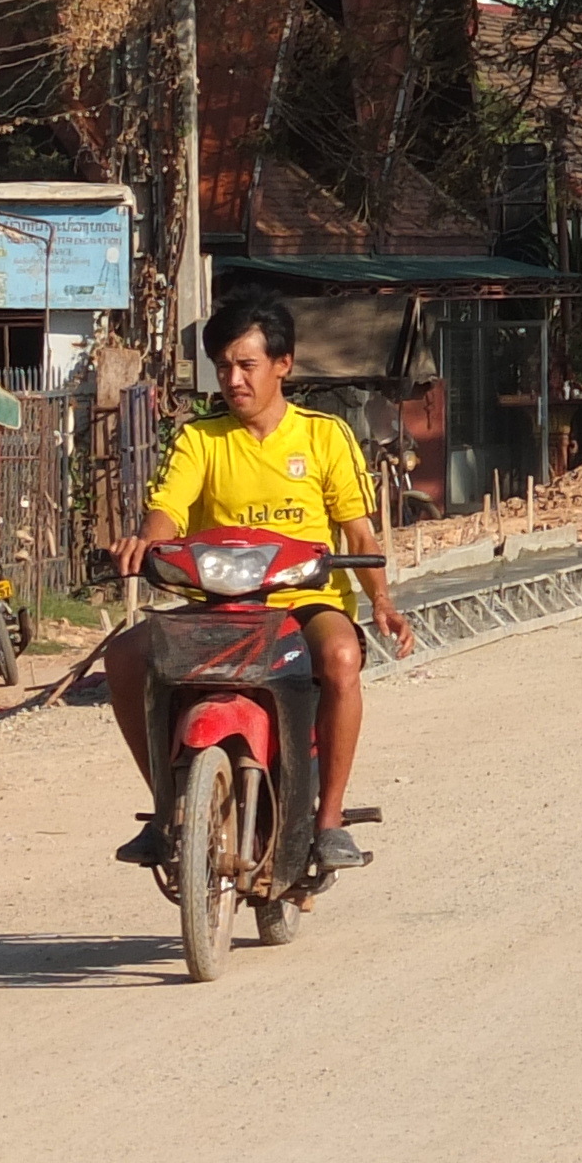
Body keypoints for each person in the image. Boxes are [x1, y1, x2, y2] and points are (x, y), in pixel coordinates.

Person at [104, 294, 416, 872]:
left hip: (305, 602)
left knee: (342, 657)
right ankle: (168, 805)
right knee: (123, 658)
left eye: (247, 365)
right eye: (224, 366)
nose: (233, 379)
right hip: (216, 608)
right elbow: (166, 510)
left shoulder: (326, 436)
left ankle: (328, 822)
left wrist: (381, 601)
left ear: (283, 365)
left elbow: (359, 533)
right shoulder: (200, 439)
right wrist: (146, 542)